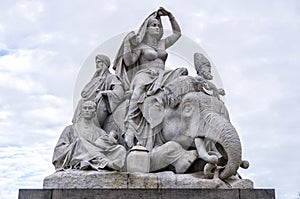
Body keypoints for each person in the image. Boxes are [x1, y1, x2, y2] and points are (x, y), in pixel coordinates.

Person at [113, 7, 187, 150]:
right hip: (144, 74)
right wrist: (127, 43)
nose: (157, 28)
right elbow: (128, 62)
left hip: (162, 75)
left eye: (159, 25)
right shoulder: (140, 45)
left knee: (182, 73)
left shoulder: (162, 44)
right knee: (139, 90)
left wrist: (170, 16)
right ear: (146, 28)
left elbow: (177, 33)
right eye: (154, 25)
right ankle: (130, 126)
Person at [53, 101, 126, 171]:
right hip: (76, 156)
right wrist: (75, 146)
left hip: (94, 156)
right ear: (81, 111)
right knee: (80, 141)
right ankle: (105, 162)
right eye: (85, 108)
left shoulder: (100, 132)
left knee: (121, 148)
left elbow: (105, 147)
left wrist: (112, 140)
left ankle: (98, 161)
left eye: (90, 108)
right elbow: (58, 150)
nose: (87, 110)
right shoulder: (70, 129)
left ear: (94, 112)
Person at [72, 54, 124, 127]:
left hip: (100, 105)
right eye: (96, 62)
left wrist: (104, 93)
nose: (97, 64)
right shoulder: (95, 79)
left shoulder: (111, 78)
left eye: (99, 62)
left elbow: (120, 93)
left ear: (105, 64)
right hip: (87, 105)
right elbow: (85, 94)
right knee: (81, 101)